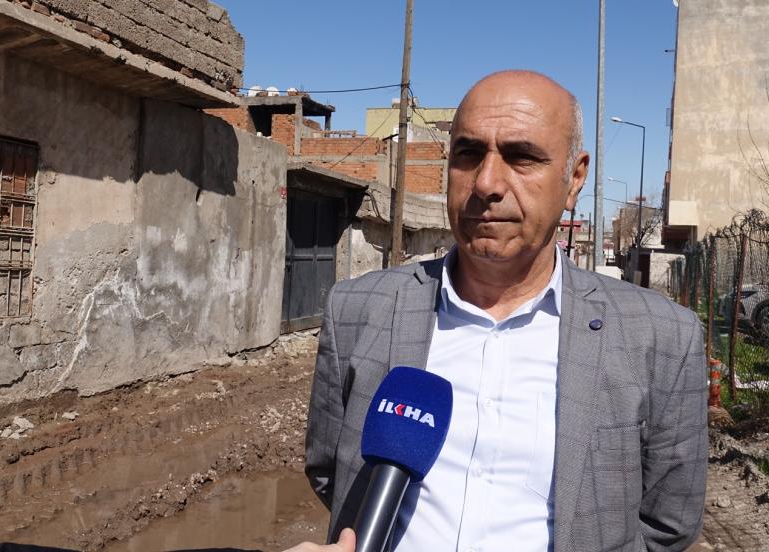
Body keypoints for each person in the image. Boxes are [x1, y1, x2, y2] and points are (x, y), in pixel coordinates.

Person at [291, 70, 707, 552]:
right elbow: (333, 474)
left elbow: (668, 524)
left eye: (522, 156)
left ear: (574, 178)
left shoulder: (662, 338)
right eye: (468, 154)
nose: (486, 183)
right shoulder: (357, 310)